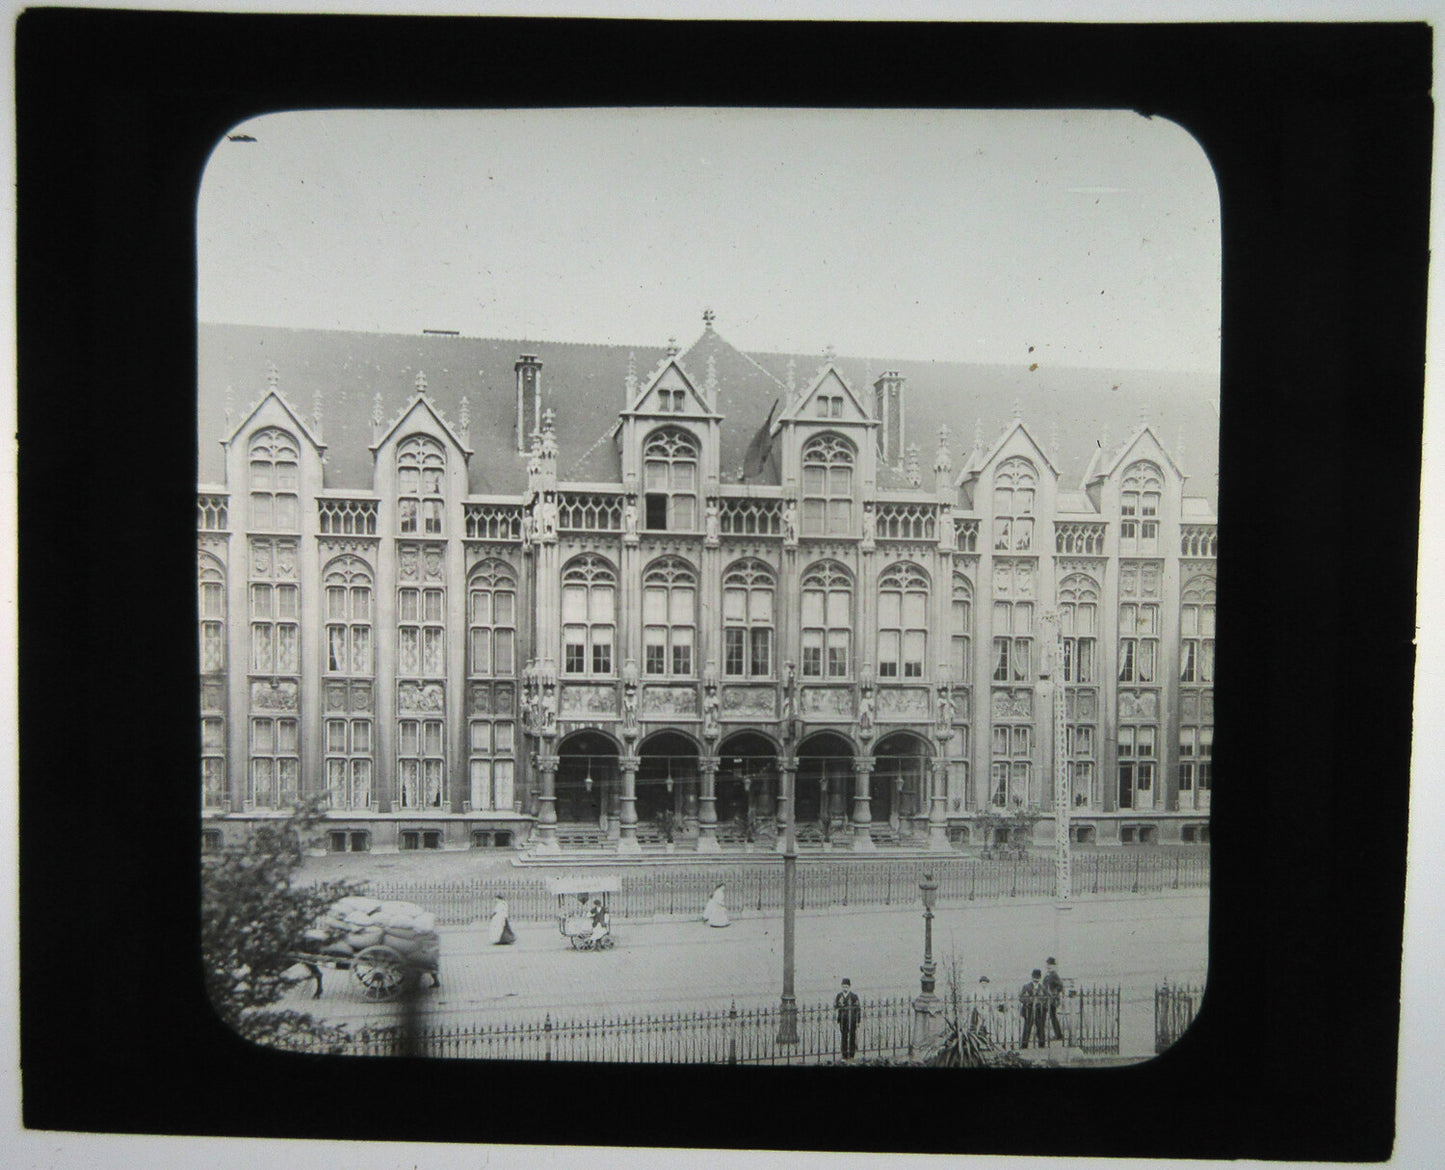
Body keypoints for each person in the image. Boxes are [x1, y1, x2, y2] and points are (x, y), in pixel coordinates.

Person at [834, 977, 862, 1060]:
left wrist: (858, 1021)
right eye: (843, 986)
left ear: (849, 987)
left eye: (846, 986)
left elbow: (858, 1009)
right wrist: (839, 1004)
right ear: (841, 987)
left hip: (852, 1019)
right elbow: (835, 1006)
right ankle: (844, 1054)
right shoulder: (839, 996)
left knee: (852, 1035)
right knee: (844, 1036)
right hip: (843, 1019)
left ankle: (852, 1054)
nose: (845, 988)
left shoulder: (853, 996)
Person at [1019, 968, 1047, 1048]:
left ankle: (1042, 1045)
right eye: (1034, 977)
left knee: (1040, 1028)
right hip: (1029, 1010)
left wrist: (1040, 1002)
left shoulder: (1042, 988)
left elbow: (1047, 997)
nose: (1036, 979)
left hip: (1039, 1011)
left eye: (1037, 978)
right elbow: (1021, 998)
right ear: (1032, 977)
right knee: (1027, 1028)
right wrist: (1030, 1000)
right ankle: (1024, 1045)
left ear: (1040, 978)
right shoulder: (1026, 986)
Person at [1043, 957, 1066, 1043]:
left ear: (1054, 966)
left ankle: (1058, 1035)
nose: (1048, 966)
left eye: (1050, 965)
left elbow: (1060, 986)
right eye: (1048, 965)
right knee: (1051, 1016)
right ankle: (1057, 1034)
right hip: (1047, 999)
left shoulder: (1054, 975)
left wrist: (1055, 993)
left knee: (1053, 1016)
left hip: (1053, 999)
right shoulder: (1047, 975)